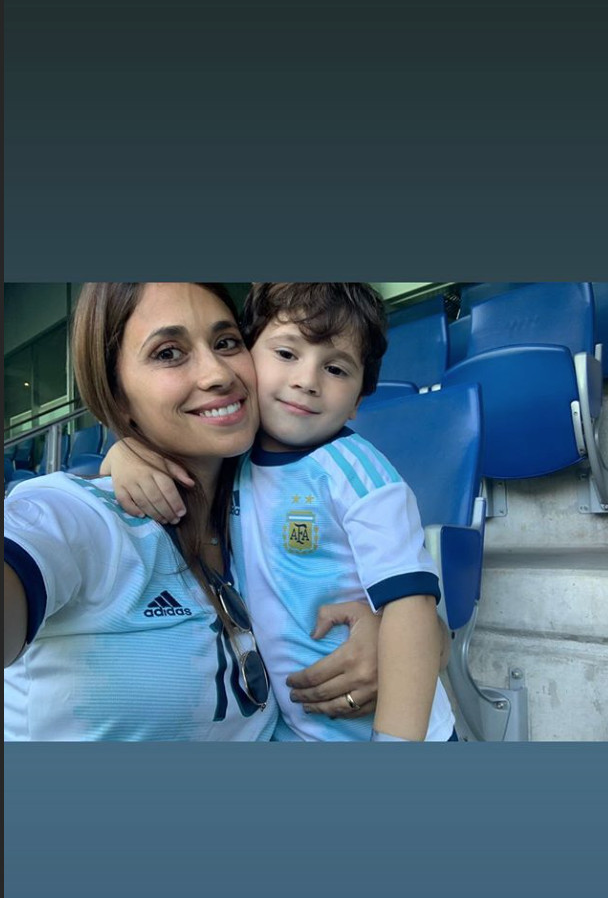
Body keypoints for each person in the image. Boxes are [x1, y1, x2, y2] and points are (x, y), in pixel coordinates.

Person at [4, 282, 381, 741]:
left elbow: (413, 595)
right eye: (168, 353)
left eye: (226, 343)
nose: (217, 373)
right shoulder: (77, 515)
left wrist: (401, 640)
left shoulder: (272, 505)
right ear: (117, 394)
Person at [104, 283, 457, 742]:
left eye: (334, 368)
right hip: (295, 731)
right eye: (286, 354)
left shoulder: (358, 472)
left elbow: (411, 609)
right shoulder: (234, 462)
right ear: (249, 358)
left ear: (358, 400)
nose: (306, 380)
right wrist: (125, 454)